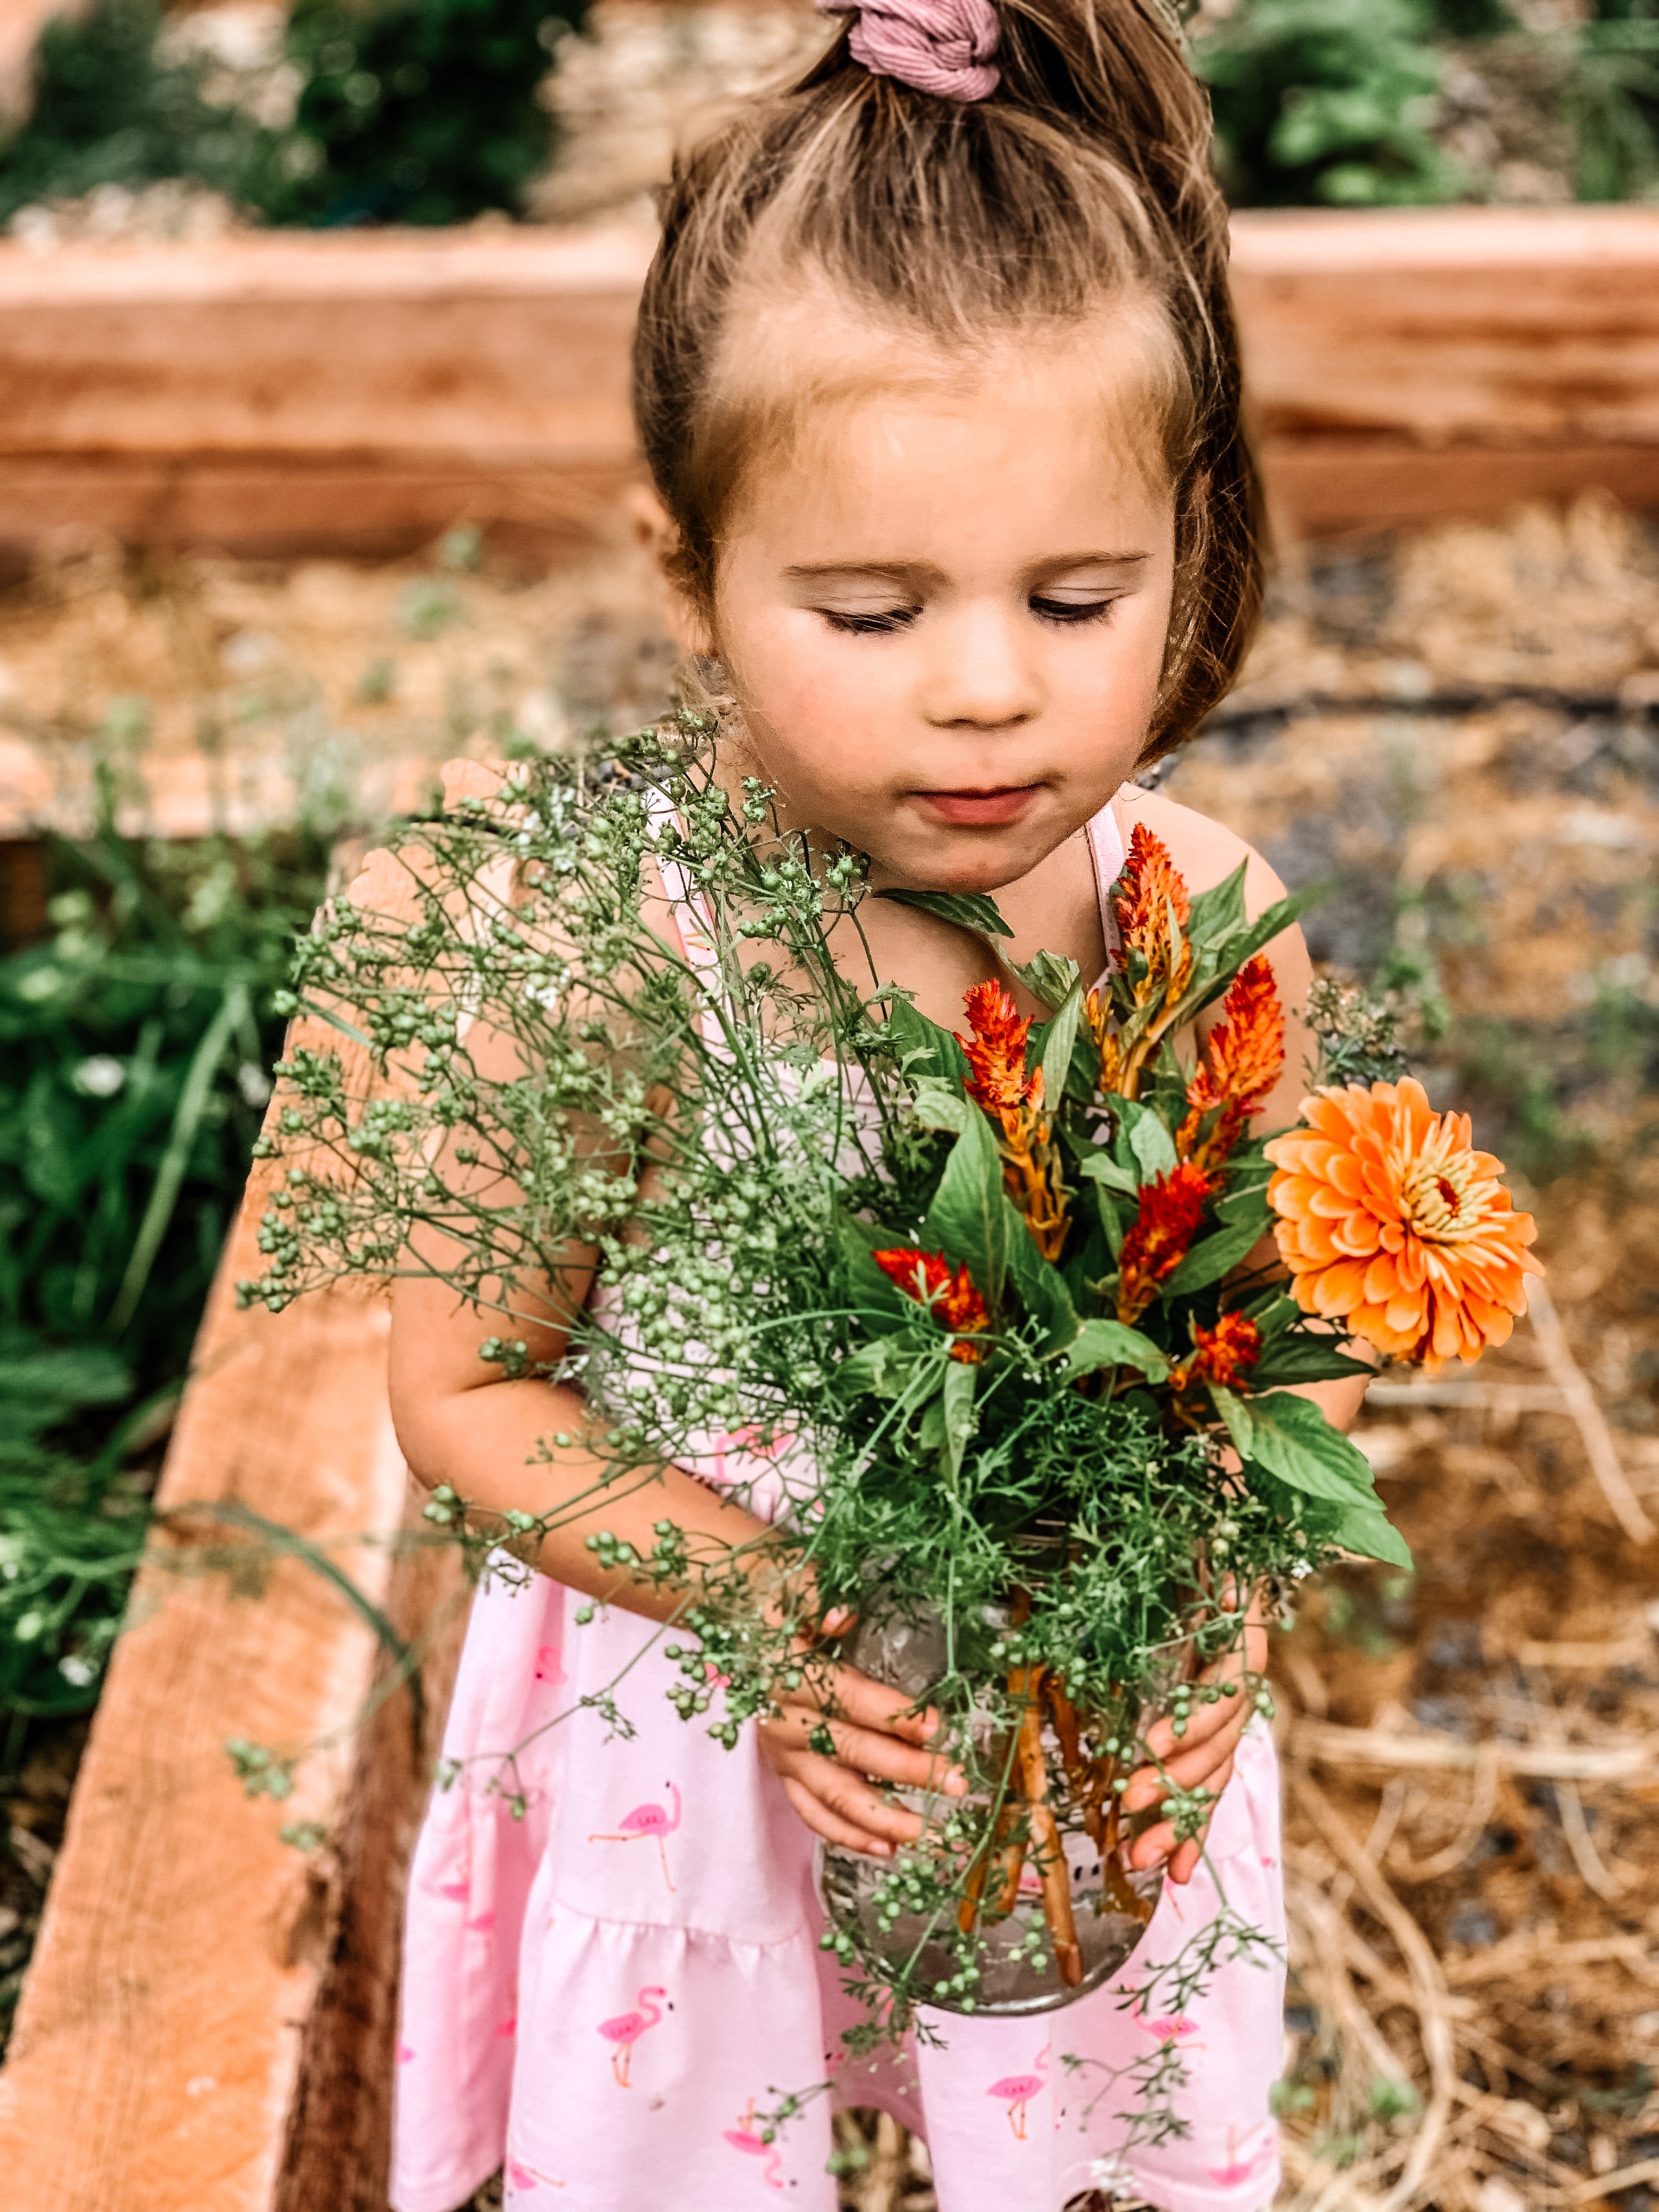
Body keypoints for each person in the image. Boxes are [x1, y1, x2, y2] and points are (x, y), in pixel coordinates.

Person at [387, 1, 1370, 2205]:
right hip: (717, 1734)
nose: (987, 682)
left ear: (1185, 544)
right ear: (690, 574)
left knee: (1064, 2142)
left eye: (1078, 594)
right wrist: (768, 1604)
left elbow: (1258, 1363)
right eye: (867, 604)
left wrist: (1214, 1608)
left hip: (1058, 1733)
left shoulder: (1197, 928)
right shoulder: (626, 953)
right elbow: (466, 1385)